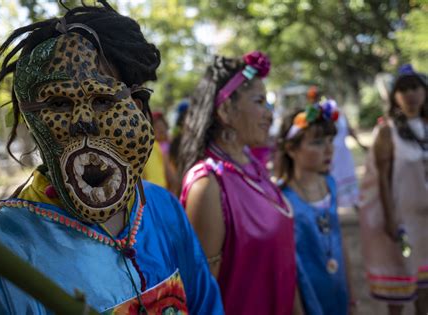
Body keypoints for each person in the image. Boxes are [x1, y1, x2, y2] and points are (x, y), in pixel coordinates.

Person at [0, 2, 223, 314]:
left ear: (135, 104)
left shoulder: (163, 210)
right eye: (57, 103)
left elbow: (206, 304)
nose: (83, 120)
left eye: (103, 99)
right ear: (32, 121)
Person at [178, 52, 298, 315]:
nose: (270, 113)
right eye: (260, 101)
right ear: (225, 110)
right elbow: (202, 297)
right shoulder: (208, 185)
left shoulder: (253, 168)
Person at [359, 64, 428, 315]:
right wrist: (390, 218)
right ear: (395, 96)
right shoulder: (388, 132)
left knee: (425, 286)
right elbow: (383, 180)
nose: (411, 95)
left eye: (415, 88)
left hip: (426, 220)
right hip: (402, 219)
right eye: (404, 89)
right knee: (400, 281)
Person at [276, 101, 353, 314]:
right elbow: (285, 265)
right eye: (317, 142)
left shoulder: (330, 185)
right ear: (291, 149)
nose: (329, 149)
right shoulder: (282, 199)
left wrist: (352, 296)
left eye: (330, 140)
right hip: (308, 293)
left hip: (337, 289)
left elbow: (339, 239)